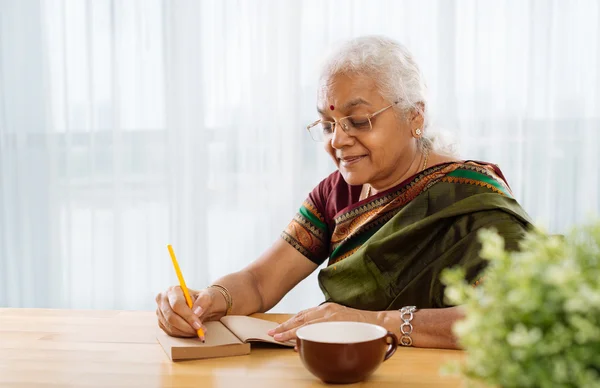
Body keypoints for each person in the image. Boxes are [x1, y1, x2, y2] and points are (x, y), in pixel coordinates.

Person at [155, 35, 531, 349]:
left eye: (358, 121)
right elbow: (260, 281)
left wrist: (373, 322)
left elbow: (511, 315)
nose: (338, 140)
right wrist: (206, 300)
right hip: (348, 375)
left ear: (415, 116)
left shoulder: (471, 198)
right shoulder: (337, 192)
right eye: (327, 123)